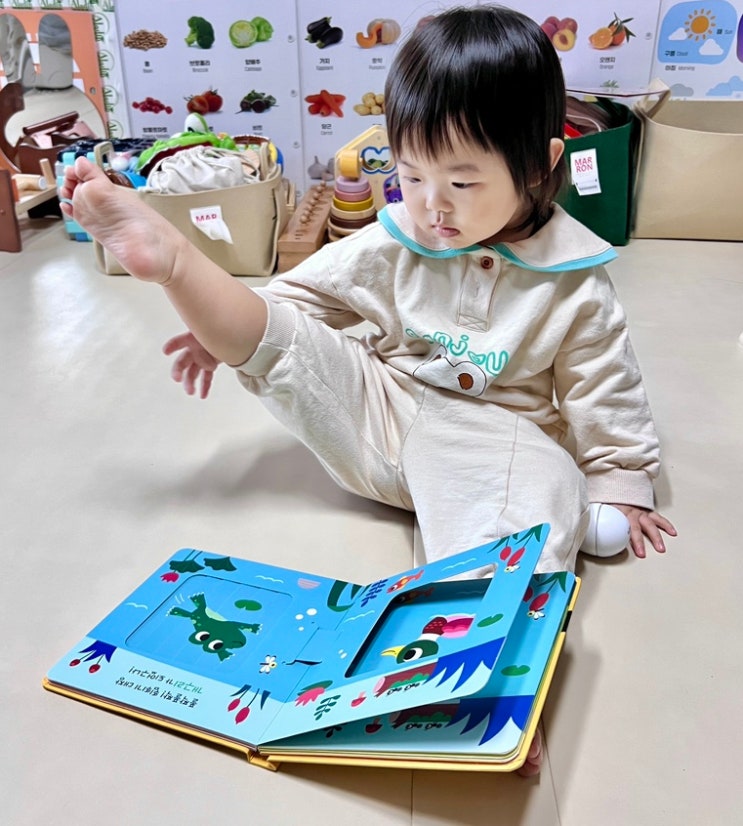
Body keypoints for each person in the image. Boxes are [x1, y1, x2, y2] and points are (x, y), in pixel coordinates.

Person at [60, 5, 676, 776]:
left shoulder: (573, 282)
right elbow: (296, 302)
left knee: (519, 511)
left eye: (461, 181)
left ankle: (488, 696)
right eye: (411, 175)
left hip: (498, 440)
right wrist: (223, 331)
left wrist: (622, 480)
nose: (431, 204)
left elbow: (603, 387)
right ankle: (177, 259)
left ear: (538, 164)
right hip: (383, 413)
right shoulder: (395, 237)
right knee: (286, 339)